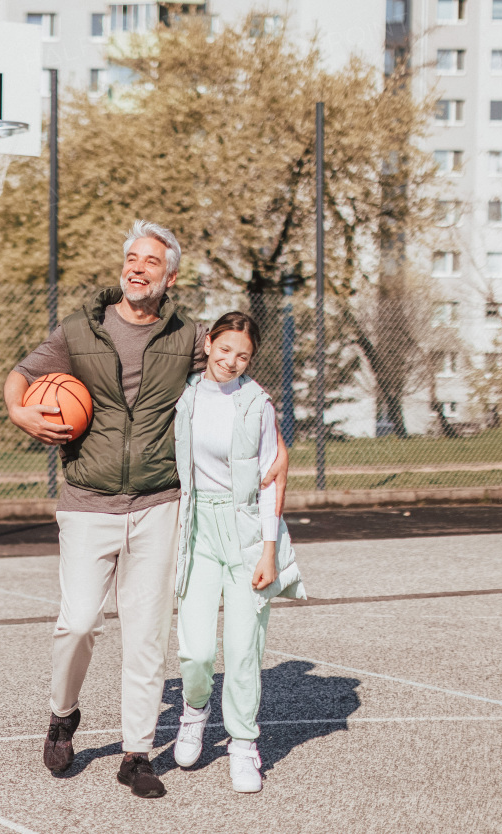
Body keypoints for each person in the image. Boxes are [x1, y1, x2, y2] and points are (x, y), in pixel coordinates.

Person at [4, 221, 289, 799]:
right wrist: (20, 411)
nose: (137, 267)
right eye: (131, 257)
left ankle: (137, 753)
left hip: (159, 503)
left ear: (169, 277)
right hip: (88, 501)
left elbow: (233, 363)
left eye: (150, 262)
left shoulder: (188, 335)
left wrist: (273, 434)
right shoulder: (81, 329)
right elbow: (23, 374)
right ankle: (64, 713)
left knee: (146, 634)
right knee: (78, 621)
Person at [169, 311, 306, 793]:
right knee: (197, 648)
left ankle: (244, 744)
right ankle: (193, 712)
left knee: (244, 648)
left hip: (246, 530)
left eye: (242, 355)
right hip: (198, 528)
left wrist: (268, 551)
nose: (230, 361)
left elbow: (271, 479)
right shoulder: (182, 395)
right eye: (224, 349)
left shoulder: (257, 404)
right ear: (208, 343)